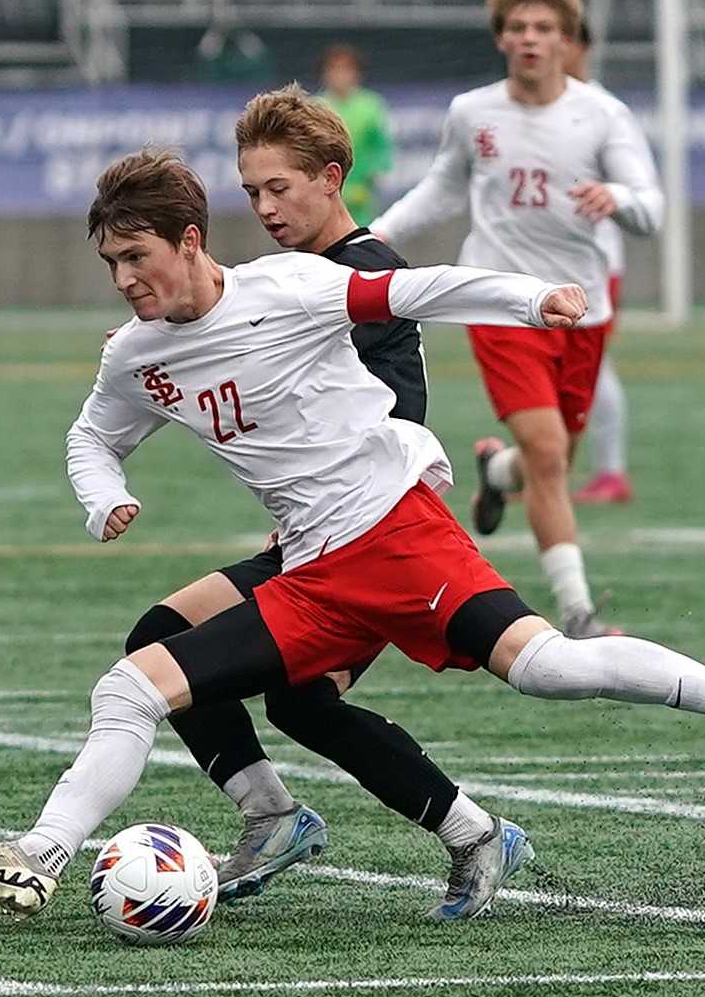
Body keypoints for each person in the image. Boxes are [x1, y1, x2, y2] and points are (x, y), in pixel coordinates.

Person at [0, 150, 705, 929]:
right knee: (137, 676)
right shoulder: (136, 354)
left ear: (189, 241)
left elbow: (417, 286)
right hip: (312, 570)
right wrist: (102, 494)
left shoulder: (289, 288)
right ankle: (38, 857)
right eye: (110, 264)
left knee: (549, 668)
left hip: (399, 537)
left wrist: (530, 301)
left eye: (136, 256)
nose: (124, 280)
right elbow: (91, 435)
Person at [132, 85, 496, 906]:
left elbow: (397, 410)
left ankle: (455, 830)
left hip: (372, 533)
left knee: (261, 683)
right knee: (200, 652)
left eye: (277, 189)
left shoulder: (362, 272)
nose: (261, 207)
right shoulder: (292, 276)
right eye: (250, 191)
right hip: (310, 535)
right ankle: (325, 818)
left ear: (331, 180)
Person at [371, 0, 662, 637]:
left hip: (580, 308)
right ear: (500, 38)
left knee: (543, 458)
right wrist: (380, 233)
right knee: (550, 453)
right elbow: (443, 190)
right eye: (517, 28)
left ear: (566, 38)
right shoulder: (473, 113)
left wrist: (615, 199)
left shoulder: (602, 115)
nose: (530, 38)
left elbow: (651, 209)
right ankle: (578, 614)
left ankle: (494, 470)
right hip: (500, 301)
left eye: (543, 28)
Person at [563, 19, 634, 506]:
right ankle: (546, 467)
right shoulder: (526, 109)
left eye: (555, 36)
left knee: (592, 366)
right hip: (544, 258)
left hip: (595, 261)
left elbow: (635, 187)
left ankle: (611, 472)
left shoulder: (604, 111)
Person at [319, 44, 394, 227]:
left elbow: (382, 146)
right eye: (334, 69)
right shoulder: (316, 106)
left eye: (346, 69)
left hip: (361, 197)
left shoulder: (371, 106)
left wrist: (375, 173)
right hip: (324, 194)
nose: (340, 76)